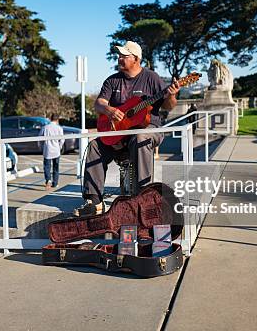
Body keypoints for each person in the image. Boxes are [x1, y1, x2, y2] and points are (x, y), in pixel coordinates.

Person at [74, 41, 180, 217]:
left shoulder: (151, 78)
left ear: (136, 59)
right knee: (94, 146)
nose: (119, 58)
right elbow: (99, 103)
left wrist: (172, 94)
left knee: (139, 137)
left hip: (148, 129)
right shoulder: (112, 80)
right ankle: (94, 201)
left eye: (124, 55)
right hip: (119, 133)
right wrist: (109, 110)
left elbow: (169, 106)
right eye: (119, 55)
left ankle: (144, 198)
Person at [39, 114, 65, 189]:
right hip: (56, 150)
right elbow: (62, 139)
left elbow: (39, 137)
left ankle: (48, 180)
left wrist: (41, 147)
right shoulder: (59, 128)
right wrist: (59, 146)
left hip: (47, 150)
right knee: (56, 167)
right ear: (57, 120)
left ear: (50, 119)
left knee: (47, 166)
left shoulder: (45, 127)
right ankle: (55, 183)